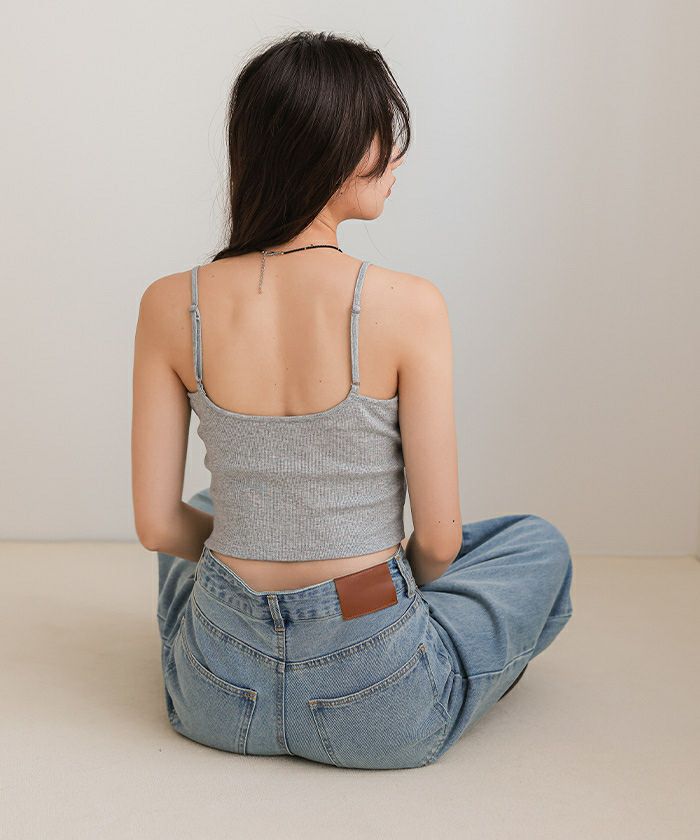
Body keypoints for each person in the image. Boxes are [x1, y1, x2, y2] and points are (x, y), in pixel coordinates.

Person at [131, 30, 573, 769]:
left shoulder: (169, 302)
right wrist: (359, 598)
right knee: (535, 544)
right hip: (378, 697)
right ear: (335, 145)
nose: (396, 158)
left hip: (215, 700)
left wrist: (258, 577)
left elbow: (155, 526)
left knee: (208, 512)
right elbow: (438, 542)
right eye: (383, 135)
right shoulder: (409, 304)